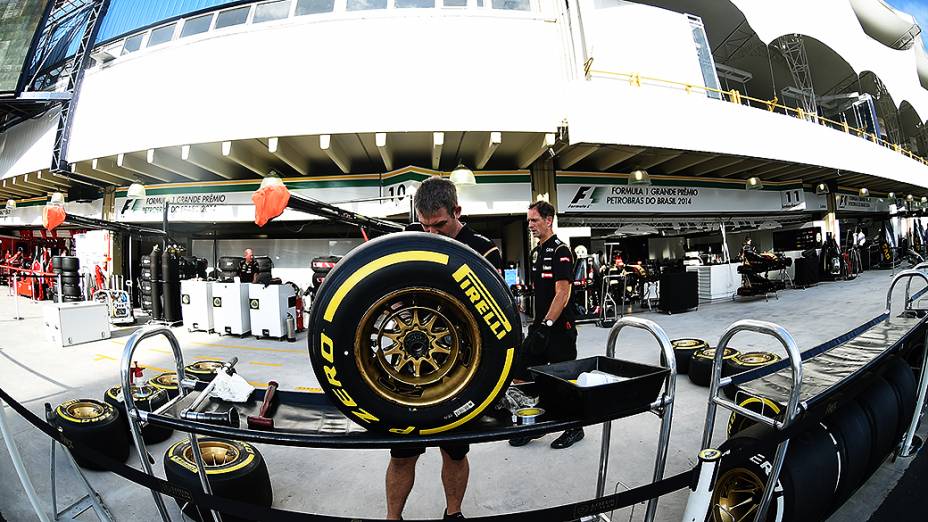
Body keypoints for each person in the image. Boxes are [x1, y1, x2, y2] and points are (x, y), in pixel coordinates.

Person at [385, 176, 501, 521]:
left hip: (462, 364)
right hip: (410, 359)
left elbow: (497, 312)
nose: (432, 234)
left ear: (457, 211)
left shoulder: (483, 248)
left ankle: (453, 514)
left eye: (440, 225)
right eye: (425, 225)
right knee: (402, 453)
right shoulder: (409, 240)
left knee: (454, 451)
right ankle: (393, 518)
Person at [509, 200, 583, 449]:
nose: (529, 225)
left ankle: (575, 428)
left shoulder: (561, 251)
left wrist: (547, 325)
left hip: (559, 331)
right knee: (521, 374)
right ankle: (536, 424)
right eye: (529, 220)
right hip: (539, 327)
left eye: (534, 220)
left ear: (548, 220)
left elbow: (562, 294)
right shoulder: (536, 252)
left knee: (563, 382)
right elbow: (541, 291)